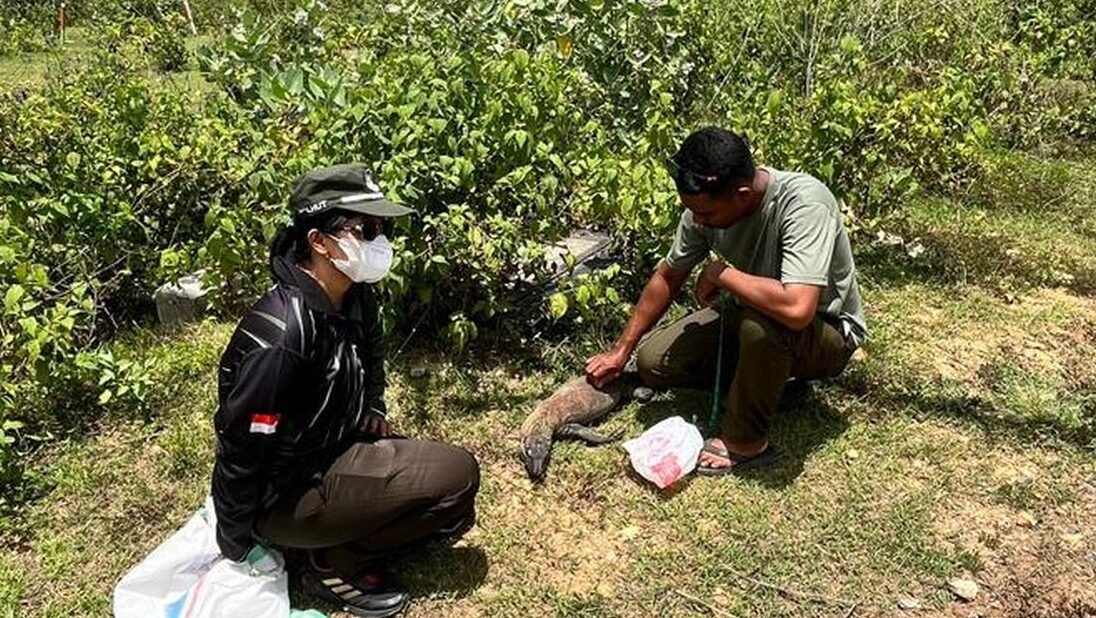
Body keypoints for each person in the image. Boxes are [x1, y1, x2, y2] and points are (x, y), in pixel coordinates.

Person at [210, 163, 480, 617]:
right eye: (367, 230)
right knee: (457, 477)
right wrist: (236, 541)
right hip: (287, 490)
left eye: (383, 229)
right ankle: (332, 563)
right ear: (319, 241)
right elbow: (243, 447)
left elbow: (371, 350)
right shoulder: (284, 338)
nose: (381, 241)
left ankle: (341, 532)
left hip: (332, 443)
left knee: (454, 503)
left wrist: (373, 405)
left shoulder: (351, 291)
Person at [585, 127, 866, 475]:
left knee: (762, 326)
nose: (698, 221)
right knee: (654, 363)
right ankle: (776, 387)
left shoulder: (804, 203)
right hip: (753, 311)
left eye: (707, 214)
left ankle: (746, 442)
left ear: (742, 194)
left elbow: (797, 308)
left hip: (826, 330)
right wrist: (621, 350)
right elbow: (669, 276)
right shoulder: (704, 206)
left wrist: (722, 275)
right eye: (692, 211)